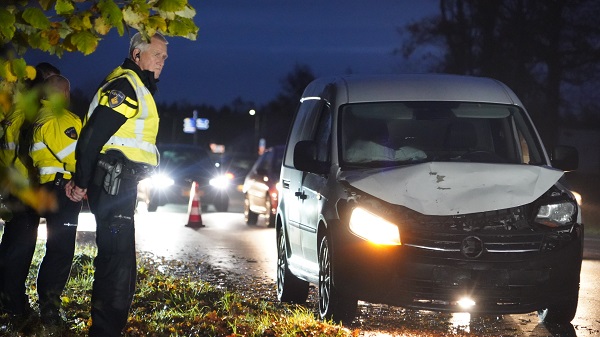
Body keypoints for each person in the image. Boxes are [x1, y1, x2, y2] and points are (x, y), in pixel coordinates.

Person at [66, 31, 168, 336]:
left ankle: (108, 327)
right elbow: (94, 135)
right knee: (117, 261)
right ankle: (106, 330)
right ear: (137, 55)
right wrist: (81, 181)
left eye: (164, 57)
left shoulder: (135, 84)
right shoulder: (126, 85)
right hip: (112, 183)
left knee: (118, 258)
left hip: (120, 183)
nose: (162, 62)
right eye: (157, 55)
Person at [0, 62, 61, 323]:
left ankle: (13, 301)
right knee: (19, 250)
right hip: (23, 190)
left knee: (15, 246)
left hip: (15, 187)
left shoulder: (17, 111)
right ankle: (11, 306)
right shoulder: (29, 115)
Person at [29, 74, 83, 325]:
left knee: (55, 248)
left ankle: (47, 304)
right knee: (61, 250)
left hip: (49, 187)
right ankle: (50, 308)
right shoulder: (61, 119)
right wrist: (85, 182)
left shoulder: (39, 117)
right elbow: (73, 156)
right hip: (64, 189)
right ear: (64, 94)